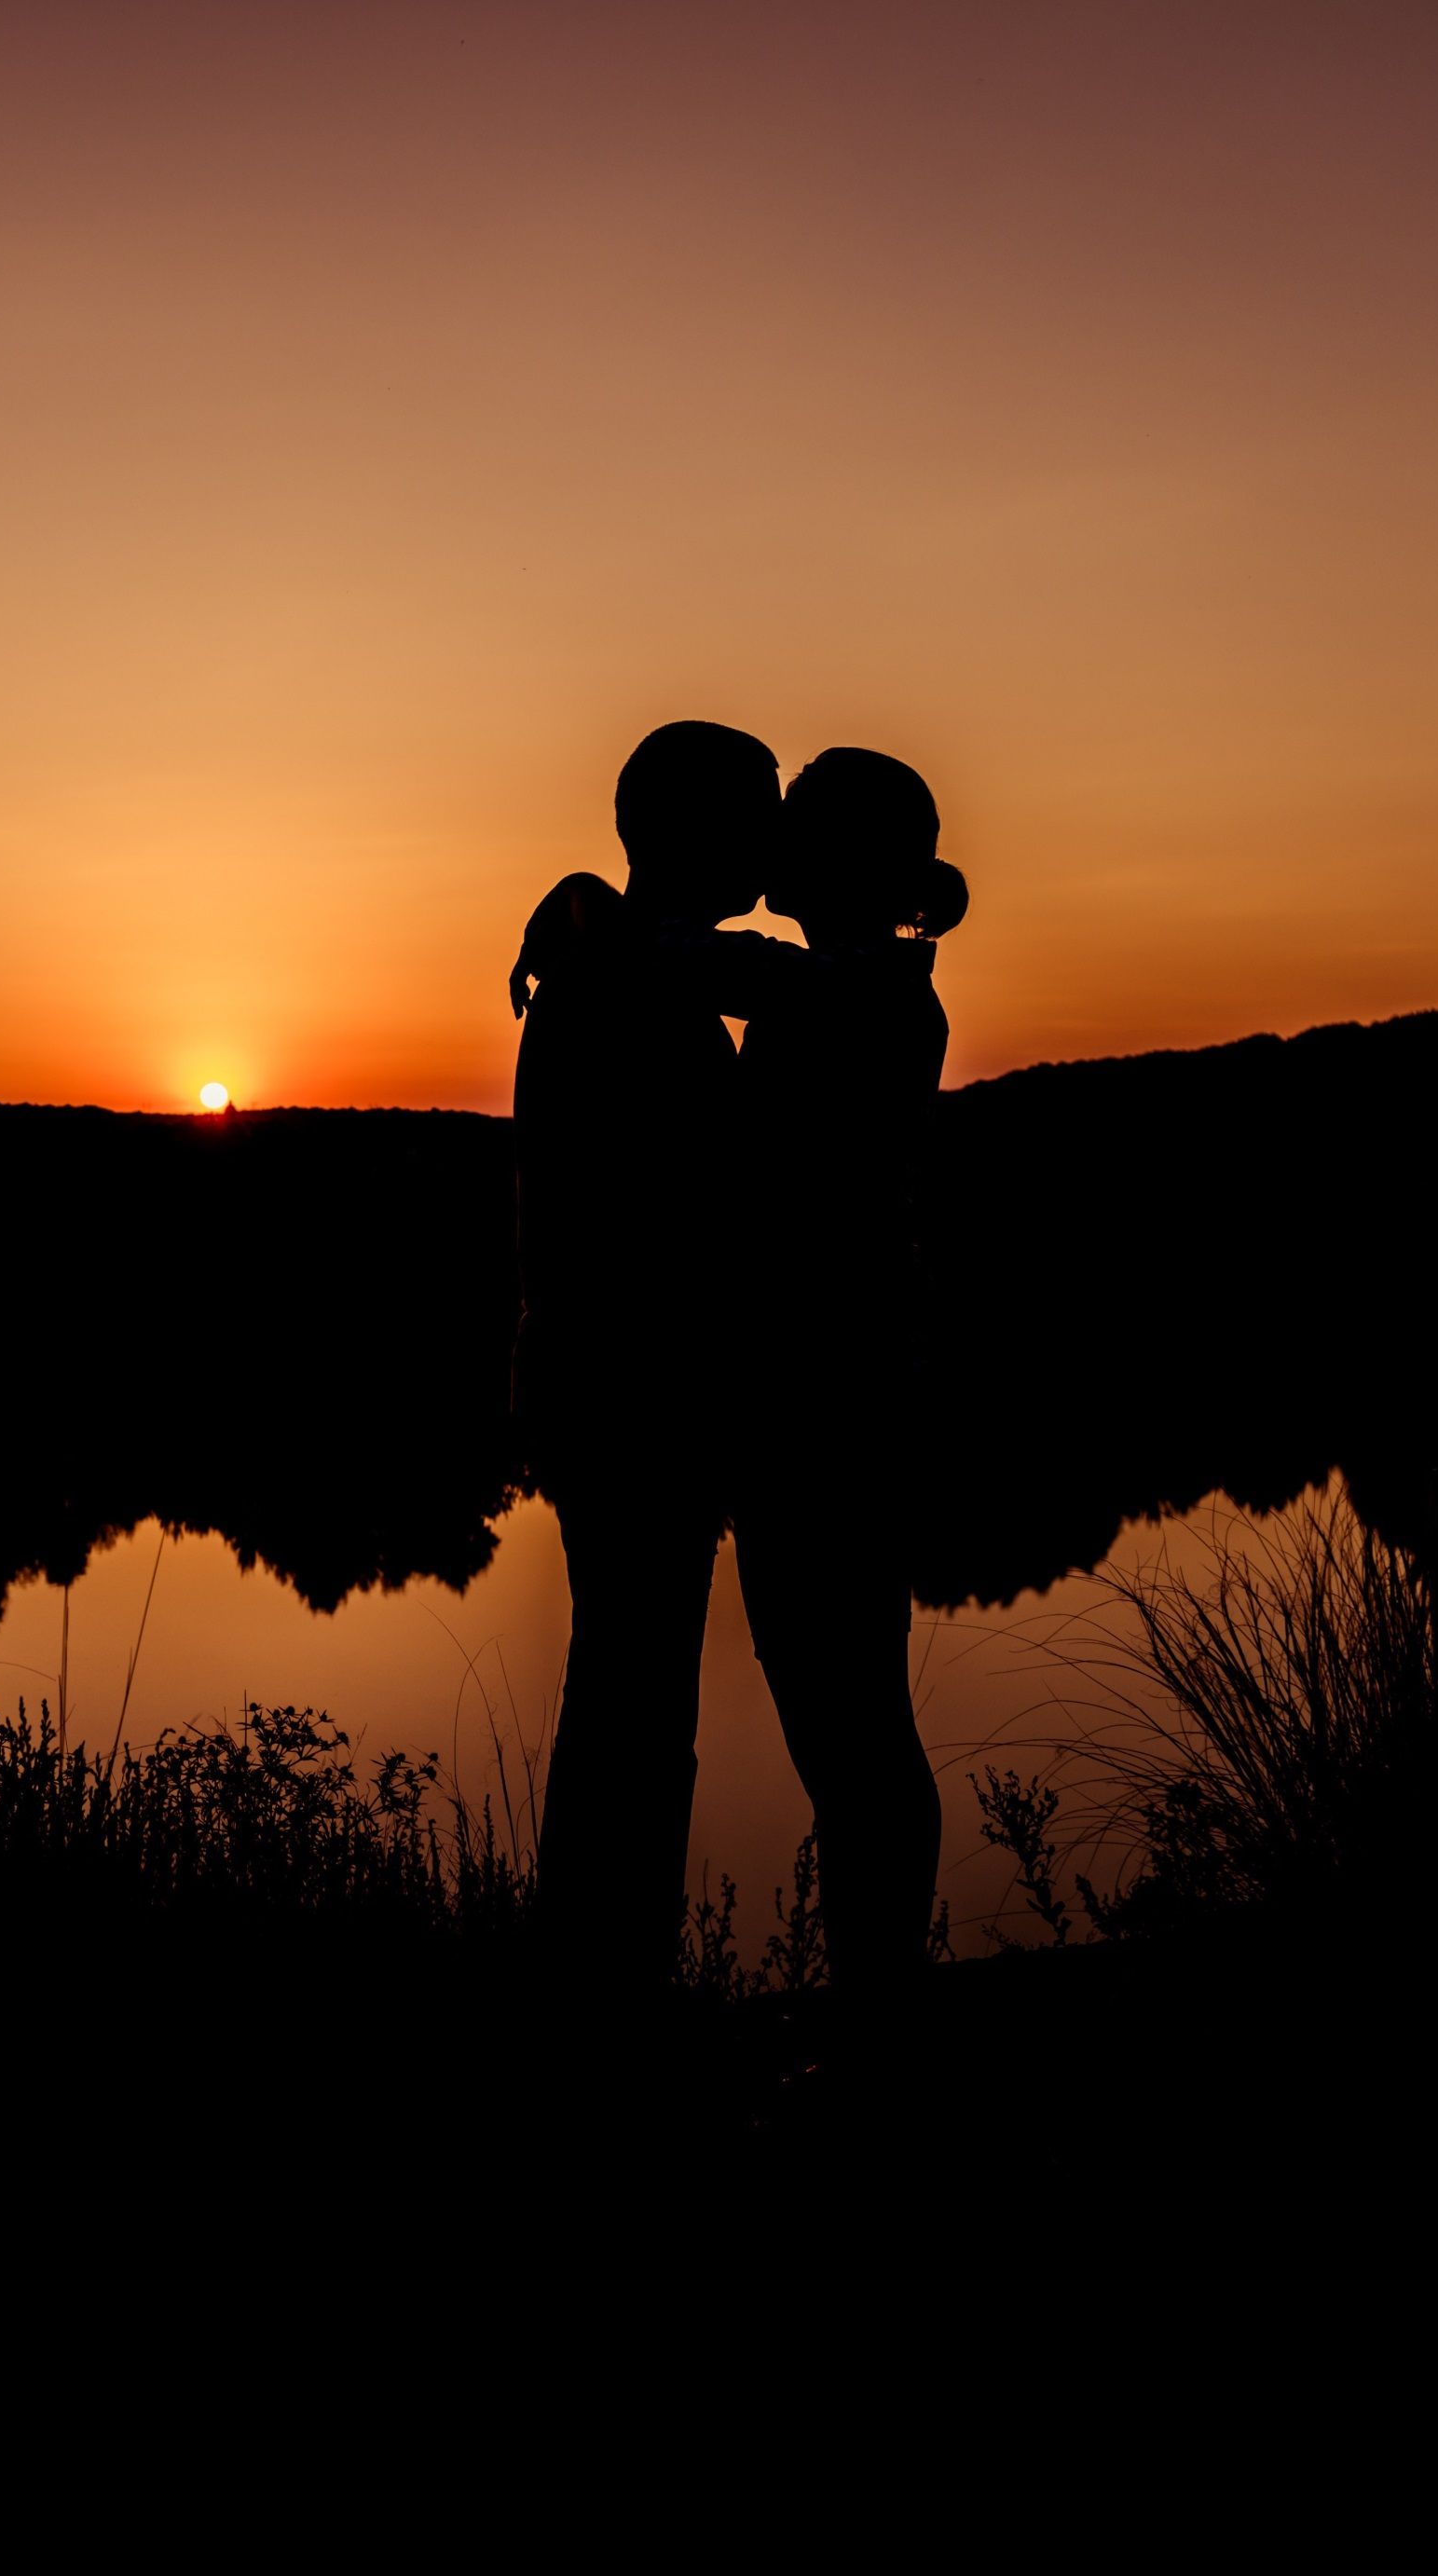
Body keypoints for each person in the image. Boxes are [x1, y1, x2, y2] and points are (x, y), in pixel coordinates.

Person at [507, 720, 778, 1976]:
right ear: (687, 826)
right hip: (635, 1396)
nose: (772, 834)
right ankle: (606, 1996)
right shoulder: (618, 974)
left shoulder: (615, 956)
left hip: (623, 1388)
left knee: (630, 1695)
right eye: (757, 808)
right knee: (633, 1700)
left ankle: (604, 1984)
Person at [719, 747, 968, 1995]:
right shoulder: (849, 986)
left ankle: (881, 2023)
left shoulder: (864, 996)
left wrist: (600, 912)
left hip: (832, 1402)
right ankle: (881, 2013)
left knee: (852, 1724)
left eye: (797, 831)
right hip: (825, 1393)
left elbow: (719, 967)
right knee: (847, 1718)